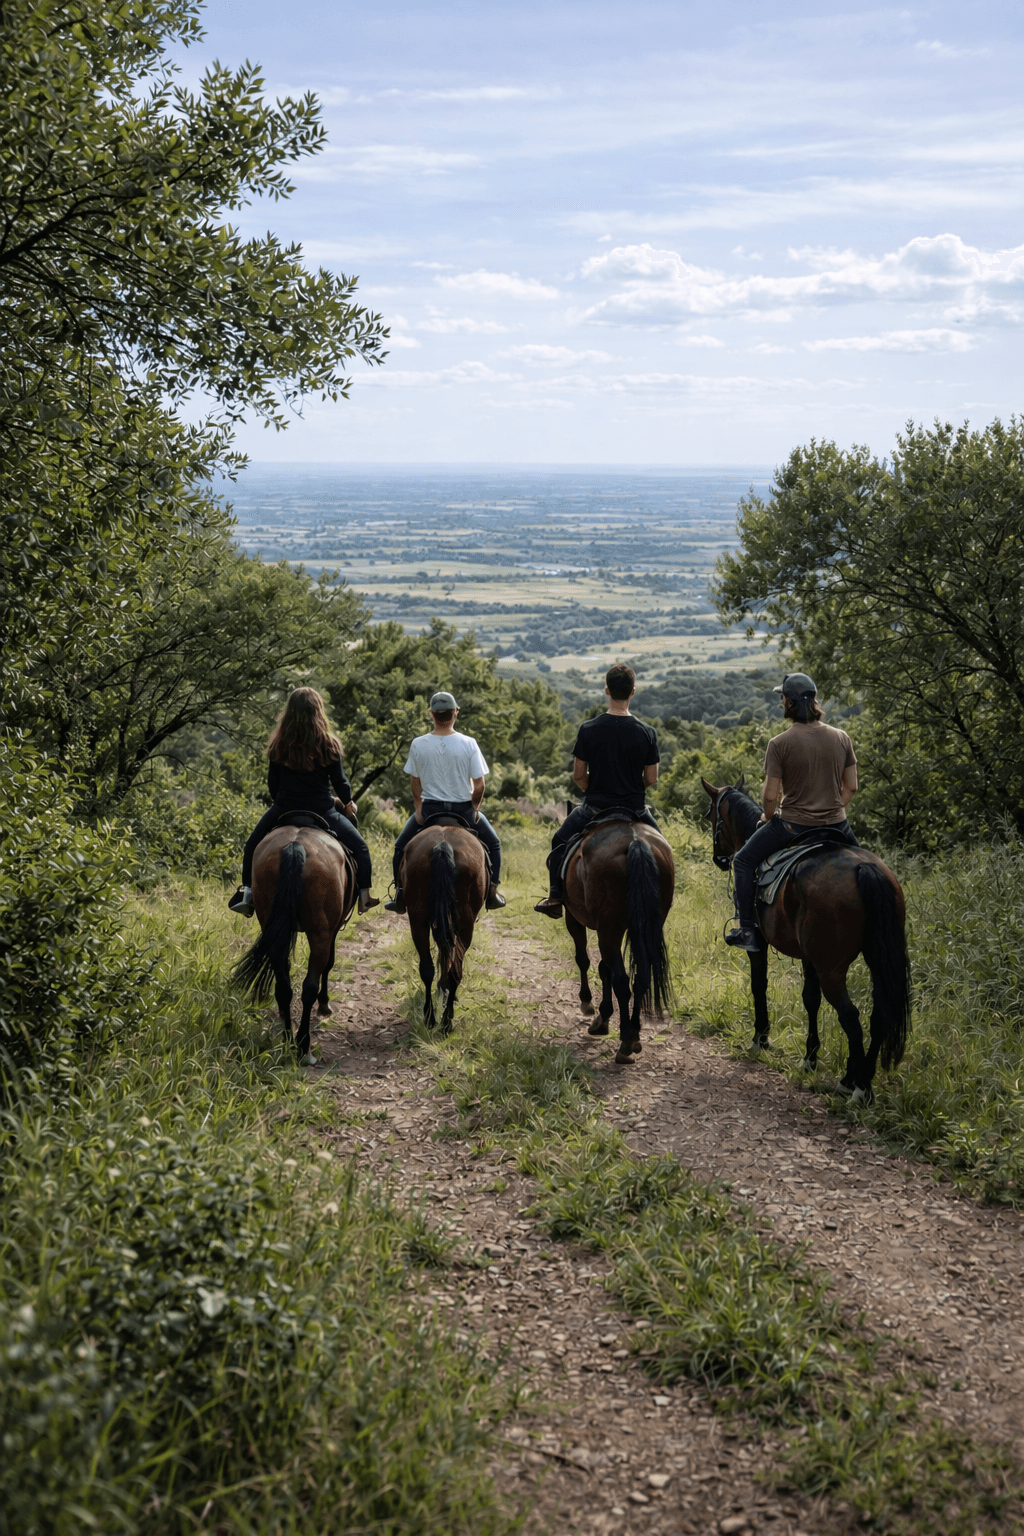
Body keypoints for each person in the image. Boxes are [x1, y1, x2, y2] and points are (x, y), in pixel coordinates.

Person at [725, 672, 860, 953]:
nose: (780, 702)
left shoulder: (779, 743)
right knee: (866, 867)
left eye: (782, 697)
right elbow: (852, 787)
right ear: (814, 701)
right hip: (838, 826)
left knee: (743, 861)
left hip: (792, 827)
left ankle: (747, 930)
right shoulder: (842, 737)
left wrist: (768, 816)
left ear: (788, 702)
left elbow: (770, 795)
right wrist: (831, 809)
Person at [228, 687, 379, 917]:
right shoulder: (329, 743)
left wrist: (281, 803)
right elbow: (341, 782)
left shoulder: (279, 743)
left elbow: (272, 784)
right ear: (318, 711)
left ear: (289, 712)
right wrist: (347, 802)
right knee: (360, 847)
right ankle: (364, 896)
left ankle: (247, 894)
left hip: (283, 808)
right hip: (323, 810)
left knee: (251, 845)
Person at [534, 663, 660, 918]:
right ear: (633, 692)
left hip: (594, 807)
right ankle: (662, 899)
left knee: (559, 841)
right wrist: (631, 786)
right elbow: (652, 778)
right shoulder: (647, 732)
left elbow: (579, 776)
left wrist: (598, 786)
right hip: (635, 809)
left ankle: (555, 896)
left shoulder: (588, 729)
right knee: (662, 848)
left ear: (606, 690)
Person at [384, 691, 506, 914]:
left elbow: (415, 783)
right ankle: (492, 893)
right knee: (495, 844)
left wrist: (419, 808)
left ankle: (400, 894)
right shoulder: (469, 744)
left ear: (431, 714)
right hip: (463, 810)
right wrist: (475, 809)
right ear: (455, 713)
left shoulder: (418, 744)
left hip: (429, 810)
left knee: (400, 847)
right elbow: (480, 786)